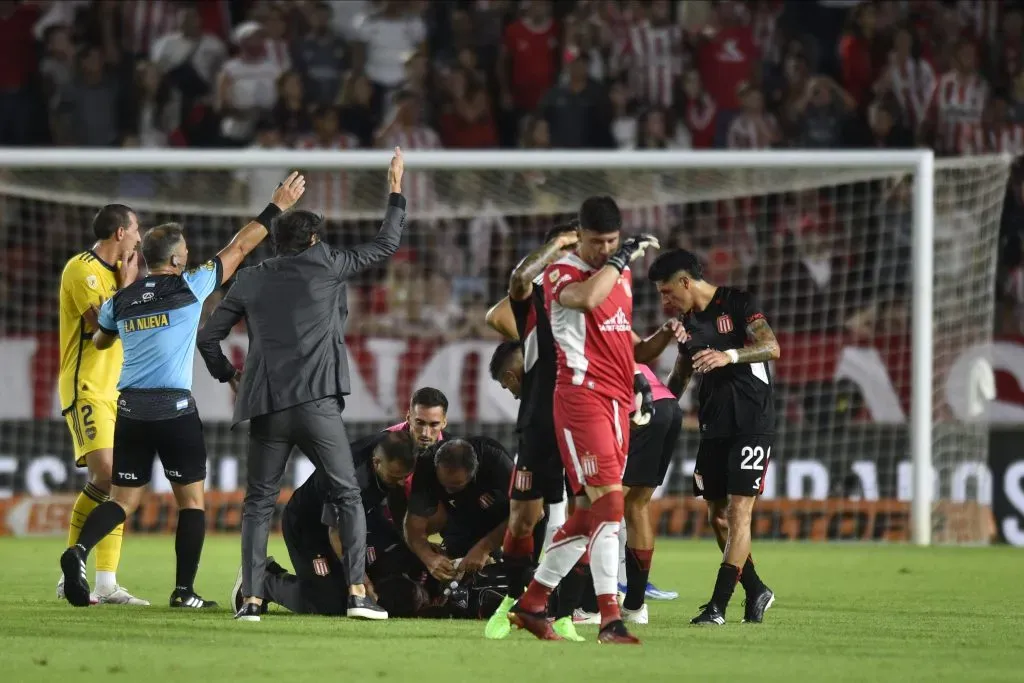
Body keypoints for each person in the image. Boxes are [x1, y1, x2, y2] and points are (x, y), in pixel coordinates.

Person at [58, 173, 307, 609]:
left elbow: (99, 340)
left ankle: (77, 550)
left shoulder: (121, 299)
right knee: (192, 502)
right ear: (175, 260)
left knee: (122, 501)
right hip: (173, 411)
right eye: (186, 252)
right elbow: (240, 247)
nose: (190, 256)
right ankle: (183, 591)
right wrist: (275, 209)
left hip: (130, 410)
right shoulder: (189, 287)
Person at [196, 148, 407, 623]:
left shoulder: (250, 278)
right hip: (316, 406)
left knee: (258, 503)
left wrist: (229, 377)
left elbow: (208, 336)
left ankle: (251, 599)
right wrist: (395, 186)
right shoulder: (329, 263)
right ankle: (357, 593)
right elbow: (387, 243)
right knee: (347, 494)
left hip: (267, 406)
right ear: (313, 238)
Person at [508, 196, 659, 644]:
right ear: (582, 236)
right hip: (579, 400)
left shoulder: (622, 274)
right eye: (597, 242)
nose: (603, 249)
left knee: (597, 510)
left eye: (611, 241)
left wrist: (640, 377)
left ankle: (534, 603)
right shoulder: (563, 272)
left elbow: (619, 342)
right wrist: (619, 257)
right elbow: (589, 299)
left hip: (615, 403)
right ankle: (610, 619)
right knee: (610, 507)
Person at [647, 248, 778, 625]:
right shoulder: (685, 323)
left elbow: (772, 347)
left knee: (740, 514)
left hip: (752, 420)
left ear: (686, 281)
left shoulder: (737, 302)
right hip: (714, 423)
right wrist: (661, 407)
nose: (664, 299)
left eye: (667, 291)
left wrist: (730, 356)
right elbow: (680, 376)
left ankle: (717, 607)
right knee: (717, 517)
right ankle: (755, 589)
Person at [481, 222, 584, 641]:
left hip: (582, 417)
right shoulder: (539, 289)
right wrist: (534, 350)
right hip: (540, 418)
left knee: (580, 518)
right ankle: (512, 601)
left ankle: (560, 612)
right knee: (525, 518)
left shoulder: (595, 294)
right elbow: (499, 310)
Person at [56, 204, 144, 606]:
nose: (141, 238)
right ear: (121, 232)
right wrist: (127, 288)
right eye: (137, 229)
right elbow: (100, 329)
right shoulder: (82, 269)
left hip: (121, 390)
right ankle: (71, 570)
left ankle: (106, 582)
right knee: (108, 474)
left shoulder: (125, 277)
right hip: (87, 386)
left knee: (117, 482)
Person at [234, 430, 418, 616]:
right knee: (330, 604)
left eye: (406, 476)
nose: (402, 482)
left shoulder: (389, 446)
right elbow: (337, 533)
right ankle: (265, 581)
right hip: (308, 528)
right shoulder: (351, 479)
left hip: (354, 523)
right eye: (395, 476)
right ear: (376, 462)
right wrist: (360, 582)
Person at [572, 364, 683, 625]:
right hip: (667, 406)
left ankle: (590, 608)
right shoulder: (617, 336)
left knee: (601, 509)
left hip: (635, 413)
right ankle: (634, 608)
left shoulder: (574, 347)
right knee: (638, 506)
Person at [404, 438, 514, 583]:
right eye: (443, 484)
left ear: (473, 473)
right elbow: (413, 524)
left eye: (455, 486)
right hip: (461, 516)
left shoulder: (497, 461)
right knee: (459, 576)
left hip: (508, 515)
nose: (448, 491)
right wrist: (429, 558)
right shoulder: (426, 464)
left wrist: (484, 548)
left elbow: (533, 512)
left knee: (519, 572)